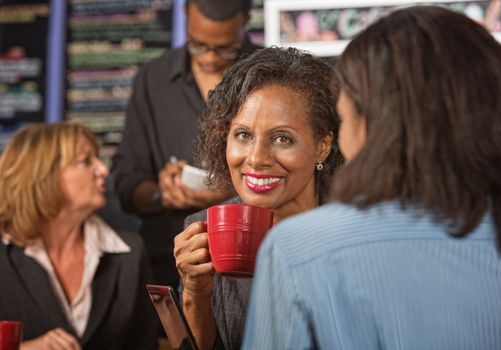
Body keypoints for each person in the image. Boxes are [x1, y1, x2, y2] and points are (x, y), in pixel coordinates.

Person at [243, 6, 501, 350]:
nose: (257, 158)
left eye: (345, 121)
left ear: (371, 129)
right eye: (242, 135)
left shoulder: (296, 251)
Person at [173, 46, 344, 350]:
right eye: (243, 135)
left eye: (282, 138)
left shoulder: (355, 234)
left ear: (322, 146)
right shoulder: (201, 233)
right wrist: (194, 294)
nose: (256, 158)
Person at [112, 0, 260, 289]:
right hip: (169, 263)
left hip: (252, 262)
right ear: (185, 13)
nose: (210, 58)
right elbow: (126, 180)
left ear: (245, 21)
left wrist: (231, 190)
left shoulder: (274, 77)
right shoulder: (153, 81)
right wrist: (161, 194)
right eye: (198, 44)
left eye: (224, 48)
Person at [0, 123, 158, 350]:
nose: (103, 170)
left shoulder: (130, 252)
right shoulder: (4, 253)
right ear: (43, 174)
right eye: (86, 161)